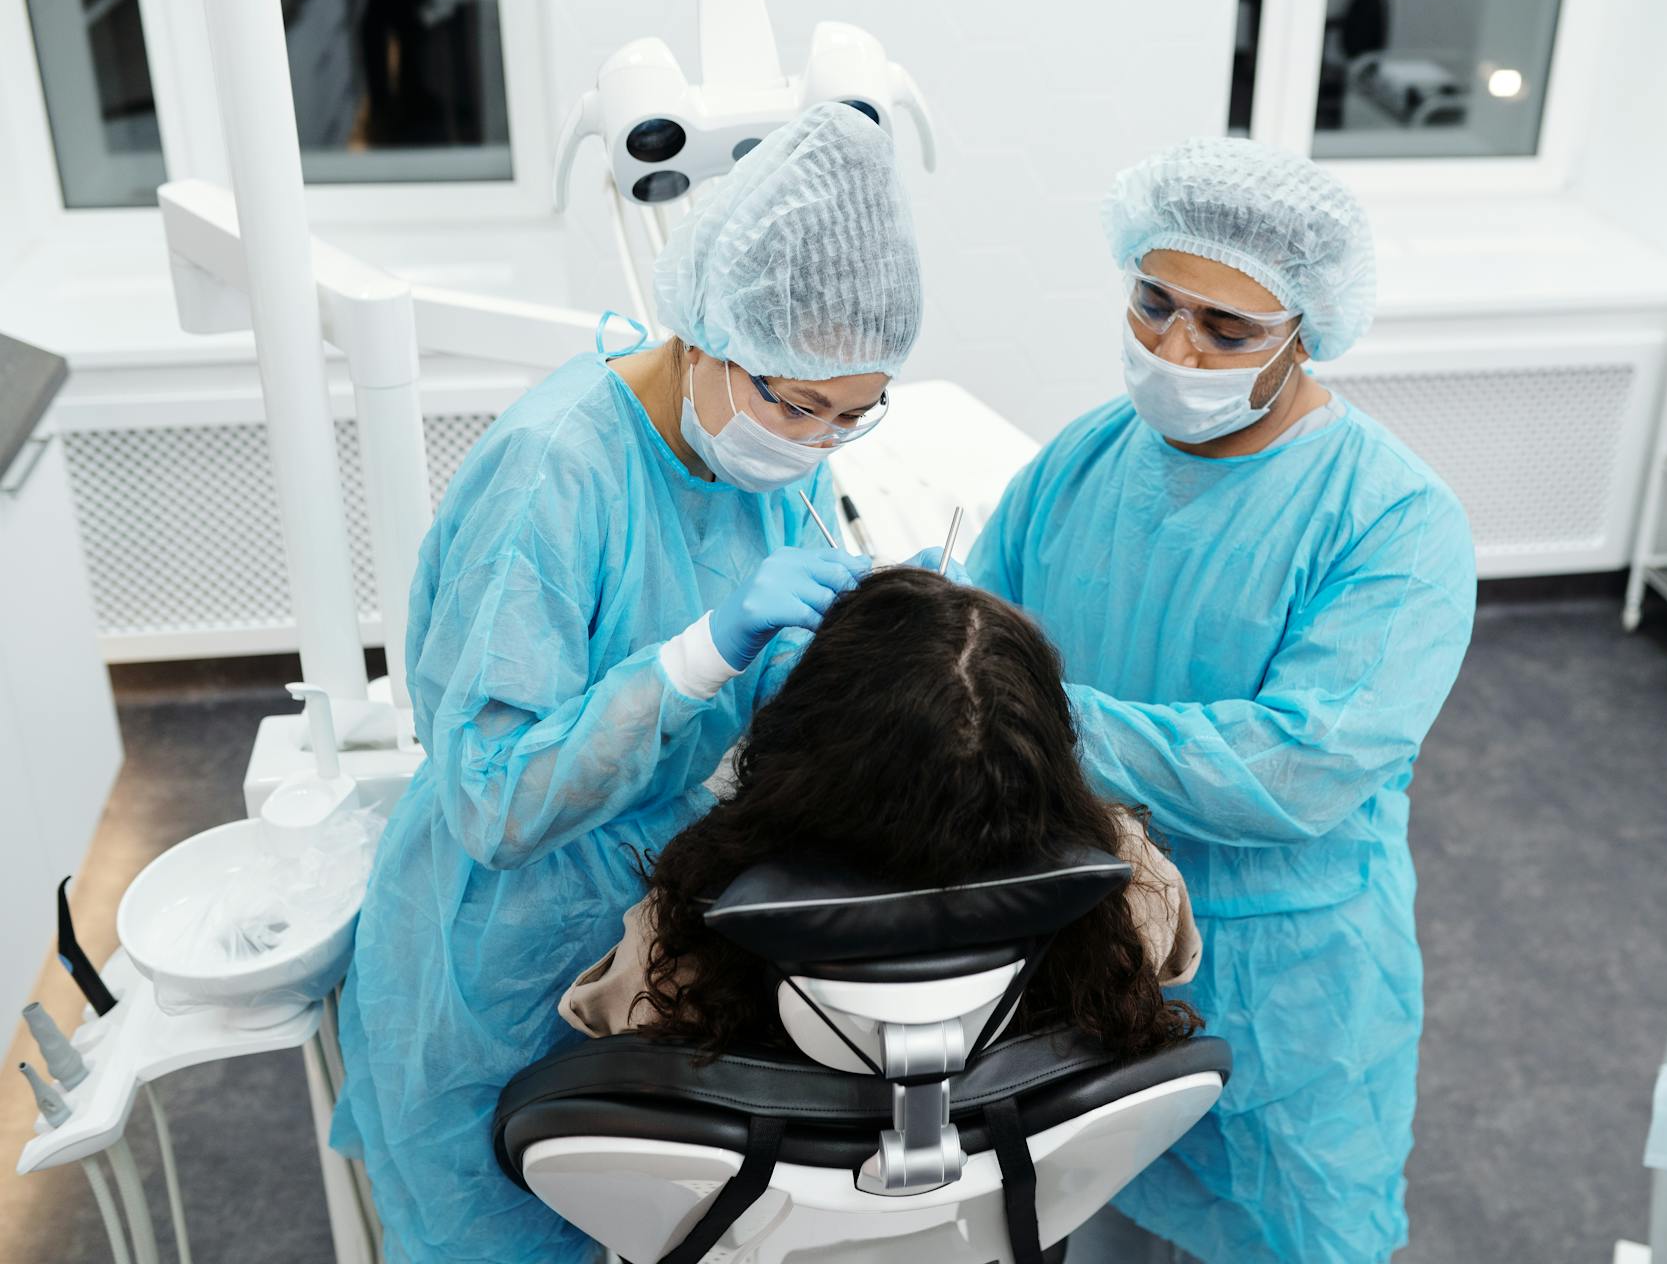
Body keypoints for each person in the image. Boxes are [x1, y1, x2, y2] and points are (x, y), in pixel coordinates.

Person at [330, 103, 928, 1264]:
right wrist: (700, 652)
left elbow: (770, 672)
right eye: (798, 404)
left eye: (854, 415)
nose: (813, 443)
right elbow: (494, 801)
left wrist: (871, 629)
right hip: (506, 951)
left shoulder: (768, 449)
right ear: (704, 331)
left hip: (654, 920)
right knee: (504, 1228)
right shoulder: (554, 475)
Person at [966, 138, 1478, 1263]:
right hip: (1091, 945)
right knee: (1095, 1210)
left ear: (1307, 328)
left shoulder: (1392, 519)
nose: (1174, 347)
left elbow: (1297, 765)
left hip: (1282, 986)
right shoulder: (1089, 456)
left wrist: (1040, 723)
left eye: (1226, 328)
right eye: (1154, 303)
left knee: (1277, 1230)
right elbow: (975, 629)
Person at [557, 566, 1203, 1054]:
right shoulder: (1126, 884)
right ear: (1047, 747)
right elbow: (1169, 961)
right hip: (996, 1203)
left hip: (775, 1220)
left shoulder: (699, 920)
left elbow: (608, 1024)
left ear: (804, 736)